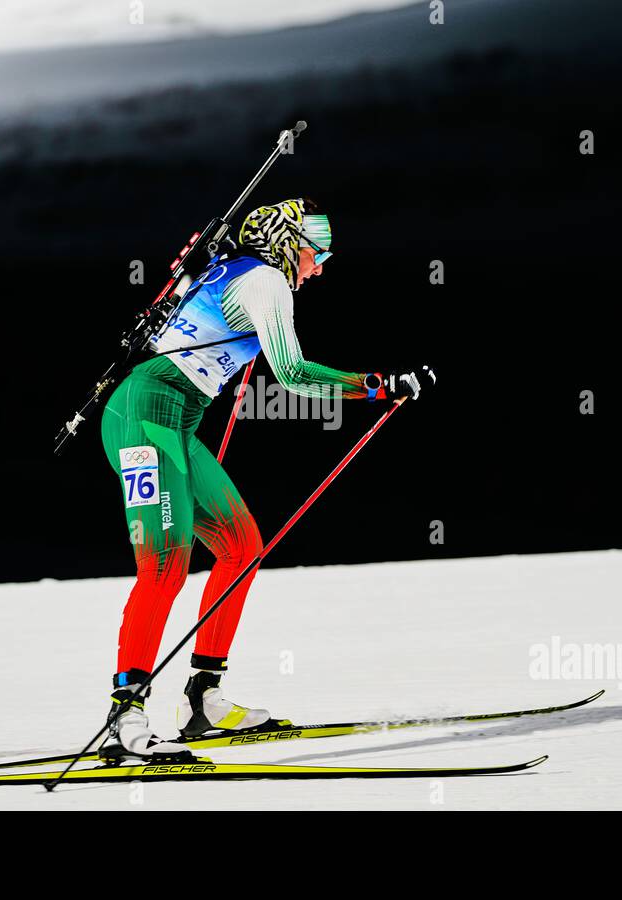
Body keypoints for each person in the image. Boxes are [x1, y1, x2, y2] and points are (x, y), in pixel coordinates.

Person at [98, 197, 435, 761]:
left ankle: (204, 700)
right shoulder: (265, 283)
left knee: (240, 547)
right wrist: (382, 384)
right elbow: (296, 375)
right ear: (286, 246)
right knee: (165, 565)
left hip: (172, 419)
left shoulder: (230, 269)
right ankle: (126, 715)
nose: (320, 267)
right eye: (315, 252)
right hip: (143, 415)